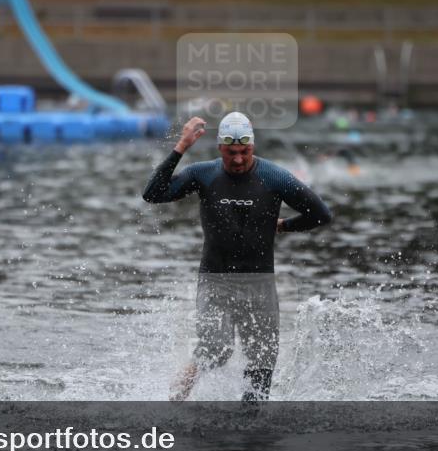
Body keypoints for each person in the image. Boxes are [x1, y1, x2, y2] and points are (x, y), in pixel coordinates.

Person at [142, 112, 332, 402]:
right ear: (220, 149)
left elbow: (320, 215)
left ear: (253, 146)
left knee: (261, 370)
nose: (239, 159)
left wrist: (283, 226)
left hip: (260, 285)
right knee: (215, 350)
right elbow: (153, 194)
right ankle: (173, 404)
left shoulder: (274, 177)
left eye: (245, 151)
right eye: (232, 153)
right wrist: (182, 145)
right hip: (215, 281)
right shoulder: (204, 174)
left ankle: (250, 436)